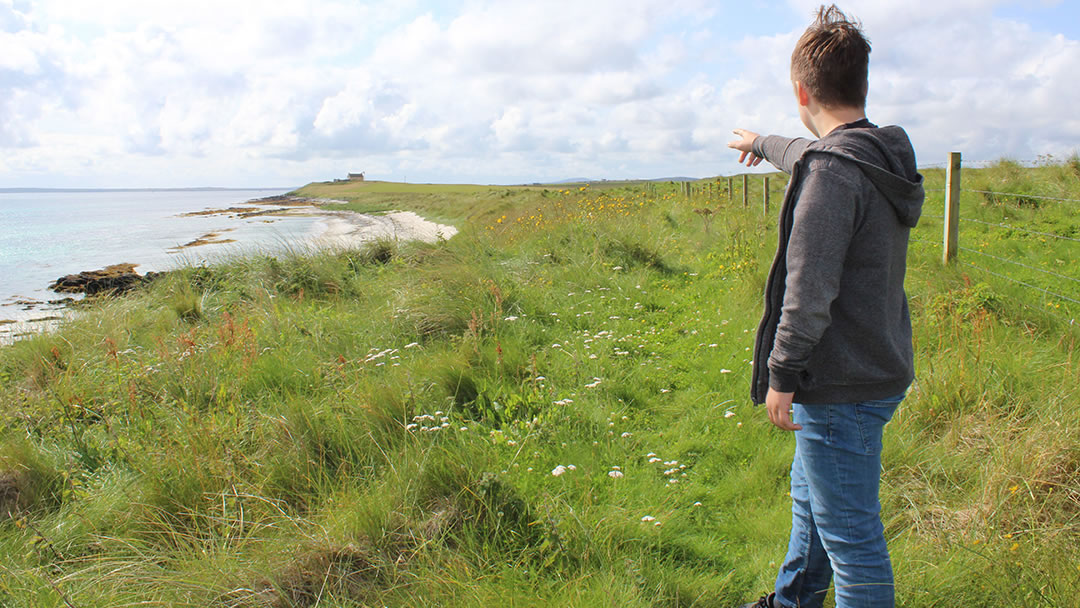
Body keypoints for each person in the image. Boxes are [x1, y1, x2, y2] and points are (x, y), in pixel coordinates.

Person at [726, 5, 924, 608]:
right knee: (811, 504)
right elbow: (812, 154)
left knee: (852, 540)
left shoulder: (833, 174)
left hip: (839, 382)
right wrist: (762, 142)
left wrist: (781, 376)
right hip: (877, 364)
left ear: (801, 90)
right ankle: (791, 602)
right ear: (861, 84)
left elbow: (806, 292)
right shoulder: (878, 154)